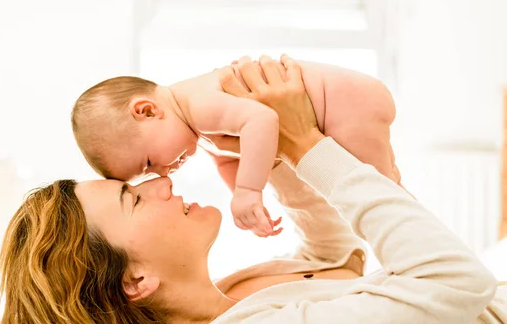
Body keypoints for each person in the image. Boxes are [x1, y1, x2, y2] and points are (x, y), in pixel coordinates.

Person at [0, 57, 506, 324]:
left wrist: (279, 154)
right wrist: (307, 143)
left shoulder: (231, 292)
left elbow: (336, 259)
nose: (159, 183)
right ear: (135, 280)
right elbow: (457, 281)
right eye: (133, 198)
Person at [70, 55, 398, 237]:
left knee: (379, 194)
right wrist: (242, 198)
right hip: (349, 105)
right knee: (379, 187)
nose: (164, 172)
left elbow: (262, 120)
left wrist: (249, 192)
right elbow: (229, 160)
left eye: (150, 163)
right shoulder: (199, 127)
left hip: (347, 104)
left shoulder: (197, 104)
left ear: (146, 111)